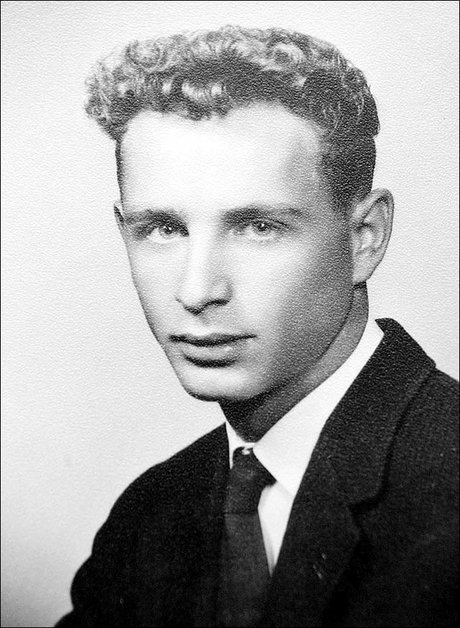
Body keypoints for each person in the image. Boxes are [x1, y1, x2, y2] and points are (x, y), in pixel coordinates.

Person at [57, 25, 458, 627]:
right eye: (163, 229)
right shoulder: (148, 520)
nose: (197, 291)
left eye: (258, 227)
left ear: (364, 238)